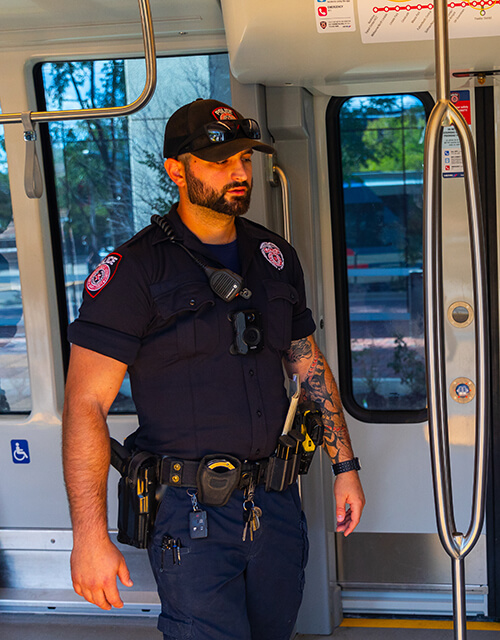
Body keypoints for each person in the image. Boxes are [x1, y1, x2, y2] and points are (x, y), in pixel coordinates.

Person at [62, 98, 365, 640]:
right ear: (176, 171)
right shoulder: (135, 271)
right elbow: (85, 404)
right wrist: (89, 536)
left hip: (275, 505)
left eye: (244, 159)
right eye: (220, 161)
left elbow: (307, 364)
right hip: (190, 516)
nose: (239, 173)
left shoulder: (274, 255)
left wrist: (346, 468)